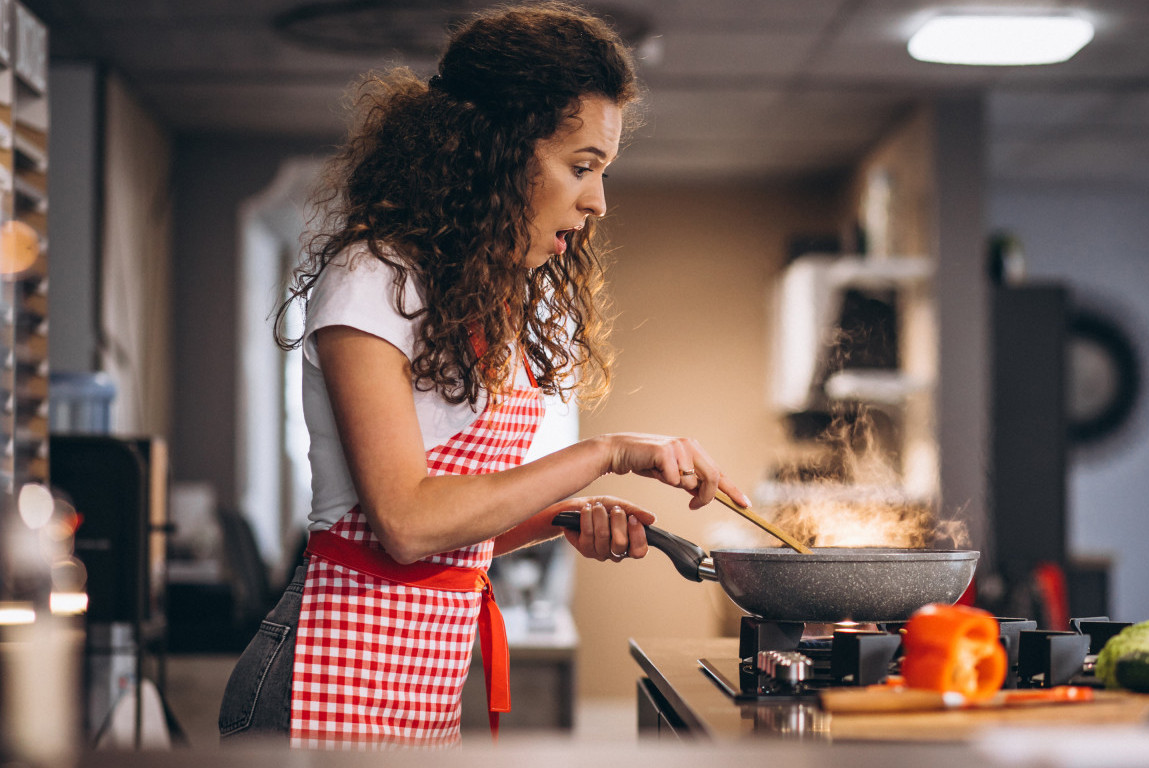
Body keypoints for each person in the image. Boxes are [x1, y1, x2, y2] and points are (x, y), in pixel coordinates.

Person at [218, 2, 750, 749]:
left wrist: (560, 518)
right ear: (496, 150)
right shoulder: (374, 276)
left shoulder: (473, 294)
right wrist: (606, 451)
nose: (597, 201)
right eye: (582, 167)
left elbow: (451, 530)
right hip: (319, 684)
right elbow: (404, 522)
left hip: (415, 690)